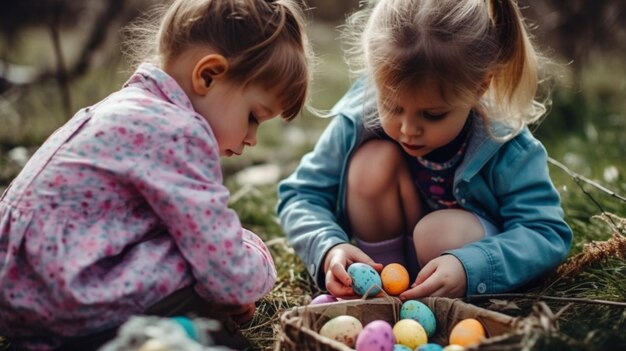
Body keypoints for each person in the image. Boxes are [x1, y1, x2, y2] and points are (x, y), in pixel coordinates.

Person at [0, 0, 310, 349]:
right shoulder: (179, 130)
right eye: (253, 116)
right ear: (207, 75)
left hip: (22, 293)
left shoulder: (131, 107)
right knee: (205, 259)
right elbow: (227, 272)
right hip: (71, 294)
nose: (252, 138)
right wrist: (257, 254)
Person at [277, 0, 572, 300]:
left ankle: (434, 294)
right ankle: (385, 293)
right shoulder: (358, 119)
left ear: (479, 88)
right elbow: (301, 196)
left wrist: (470, 268)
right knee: (370, 165)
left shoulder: (505, 146)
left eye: (433, 115)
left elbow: (545, 233)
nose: (408, 129)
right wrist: (329, 248)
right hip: (391, 256)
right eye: (392, 106)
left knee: (436, 234)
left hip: (457, 250)